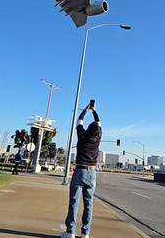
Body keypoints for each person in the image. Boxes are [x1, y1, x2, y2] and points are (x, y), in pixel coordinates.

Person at [62, 100, 102, 238]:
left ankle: (70, 232)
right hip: (92, 173)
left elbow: (79, 121)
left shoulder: (82, 135)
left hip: (80, 171)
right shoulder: (97, 138)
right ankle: (85, 234)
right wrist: (95, 111)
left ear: (87, 129)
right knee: (89, 204)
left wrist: (86, 110)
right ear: (97, 132)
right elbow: (99, 124)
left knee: (74, 202)